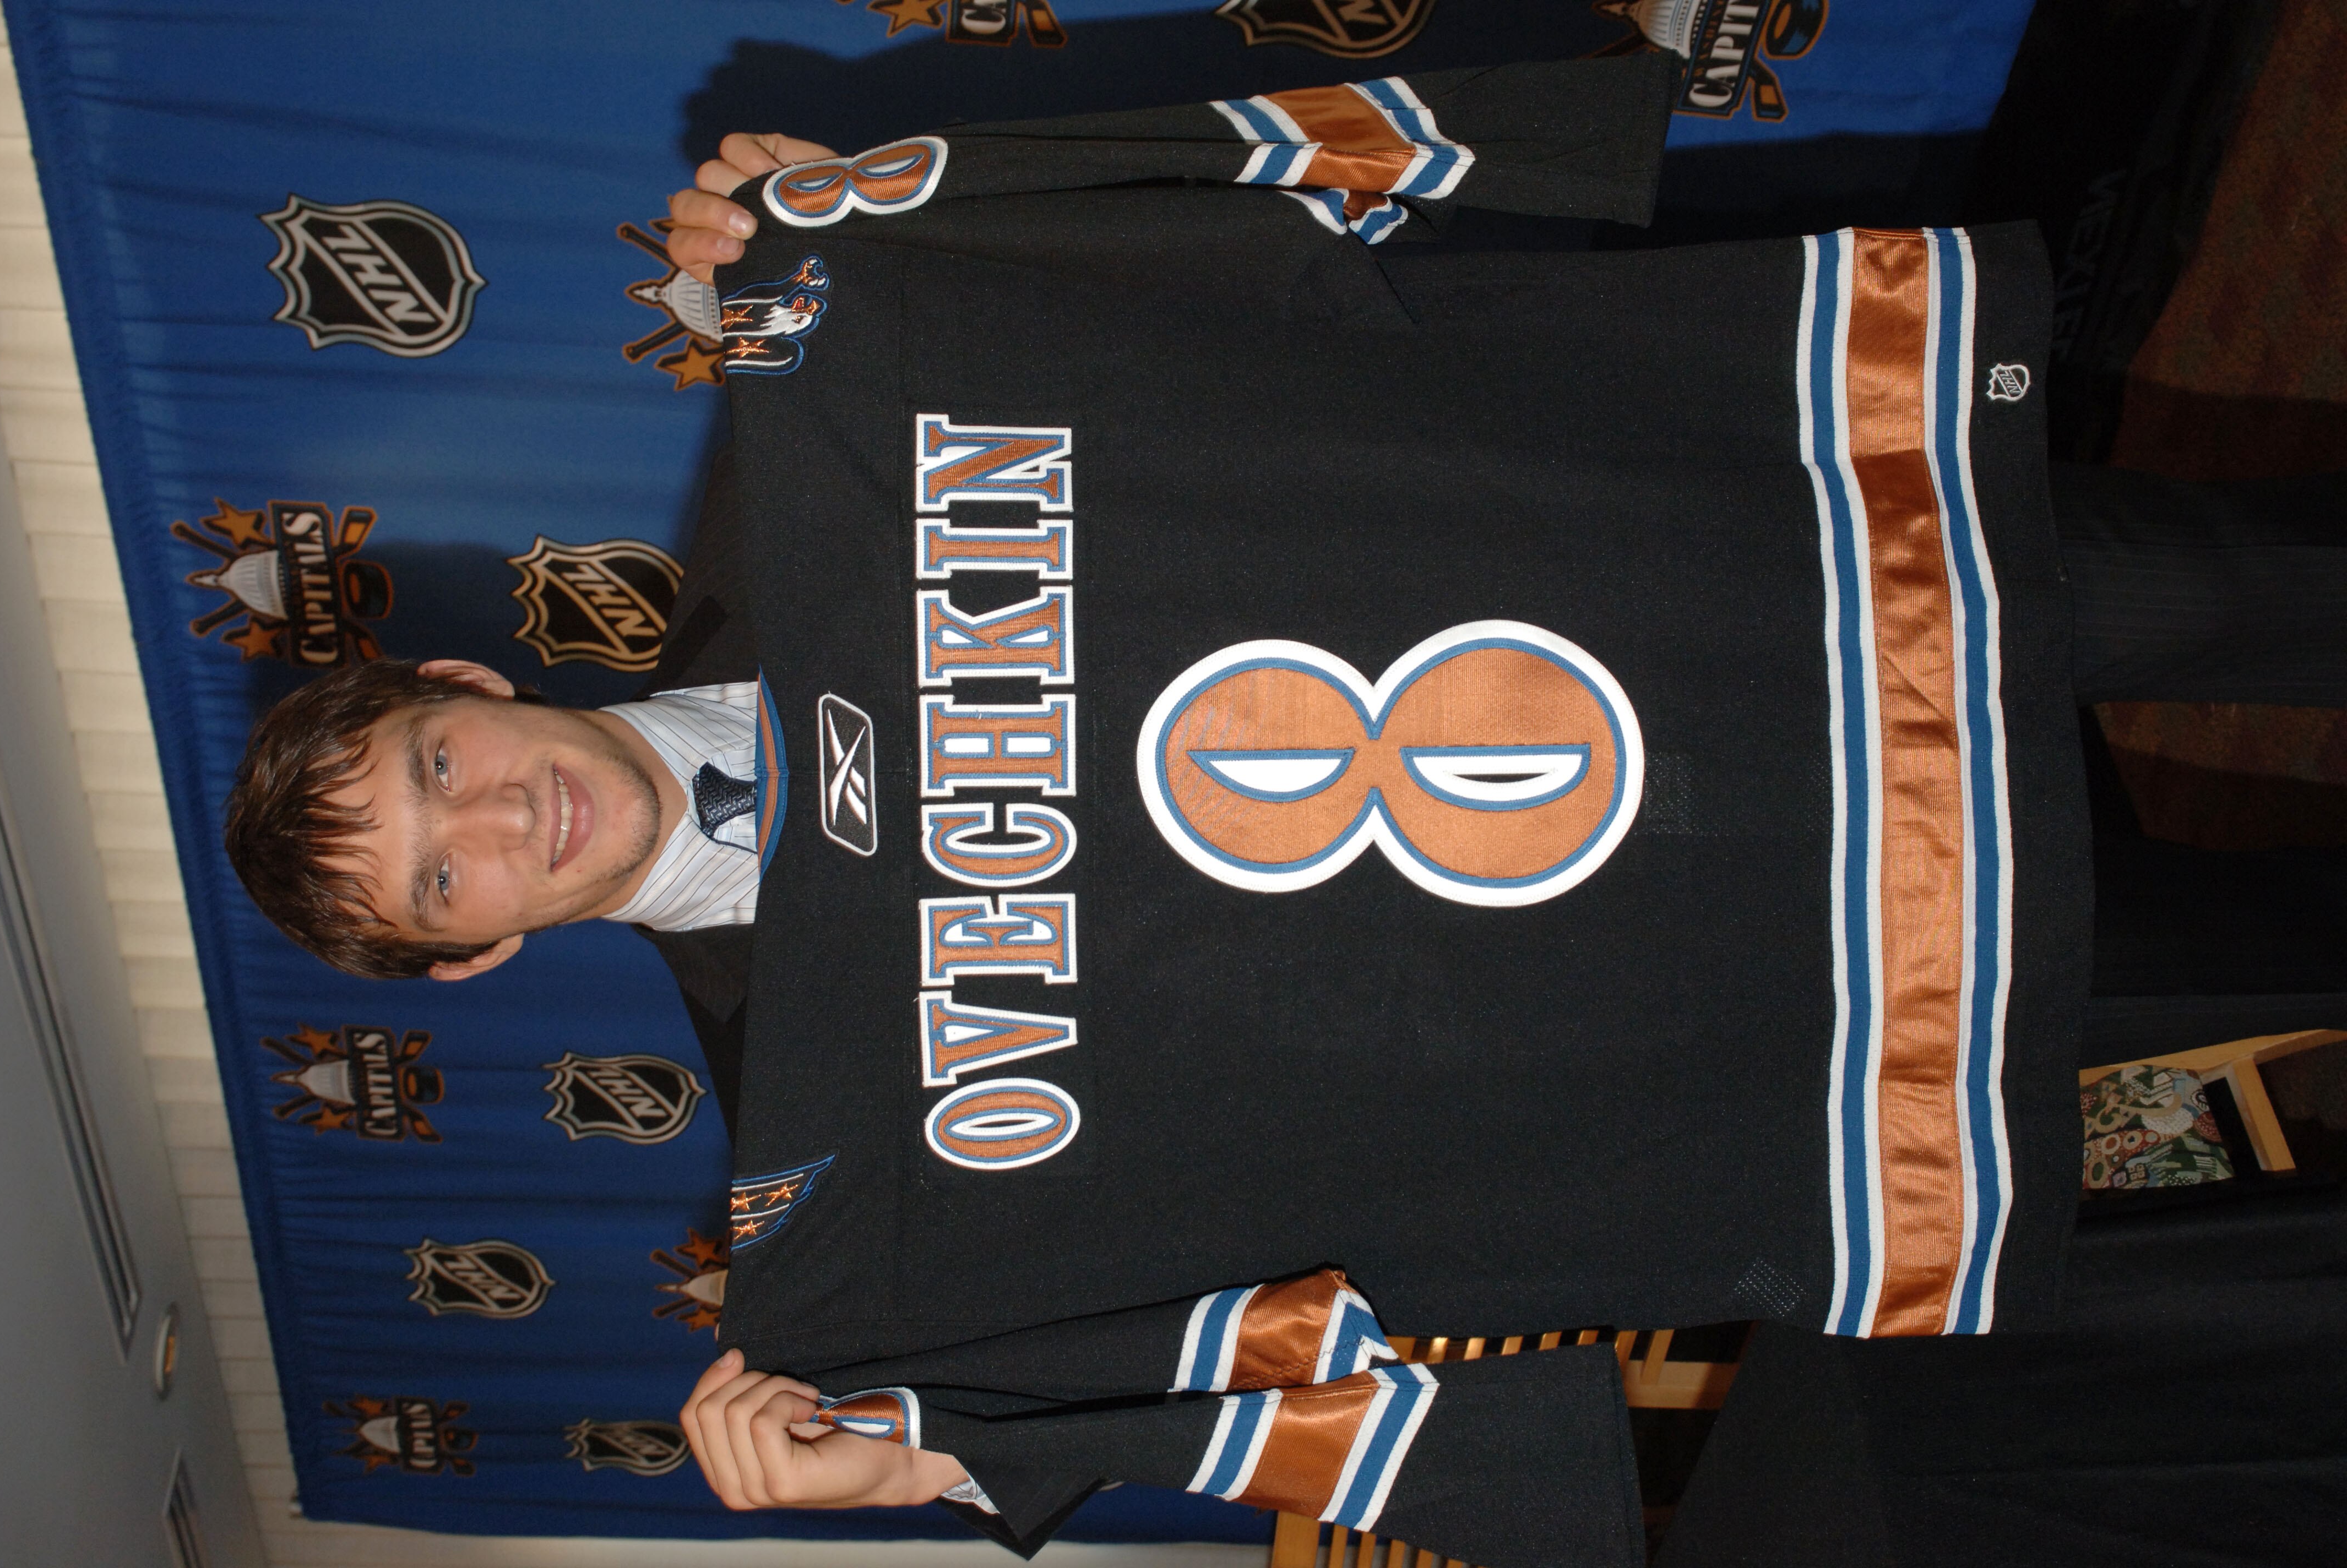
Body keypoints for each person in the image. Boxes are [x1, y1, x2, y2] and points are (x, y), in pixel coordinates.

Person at [225, 61, 2347, 1564]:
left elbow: (1237, 222)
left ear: (473, 684)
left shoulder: (846, 399)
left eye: (437, 763)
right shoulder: (839, 1178)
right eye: (444, 880)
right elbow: (1188, 1388)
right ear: (477, 954)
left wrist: (897, 196)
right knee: (2291, 962)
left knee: (2275, 591)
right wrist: (916, 1459)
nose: (495, 819)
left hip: (1781, 570)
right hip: (1824, 981)